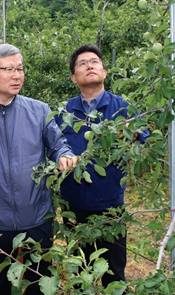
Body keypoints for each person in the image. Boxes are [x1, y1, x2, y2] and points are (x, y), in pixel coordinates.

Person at [0, 43, 77, 295]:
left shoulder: (39, 110)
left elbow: (58, 144)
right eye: (9, 69)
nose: (17, 75)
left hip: (37, 216)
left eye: (20, 69)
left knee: (37, 281)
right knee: (1, 285)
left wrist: (65, 155)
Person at [56, 44, 150, 286]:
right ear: (73, 77)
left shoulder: (123, 108)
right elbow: (51, 146)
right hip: (73, 204)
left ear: (105, 72)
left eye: (95, 61)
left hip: (110, 206)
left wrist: (134, 135)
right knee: (79, 269)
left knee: (114, 273)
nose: (89, 65)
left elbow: (145, 137)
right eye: (82, 63)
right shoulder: (64, 112)